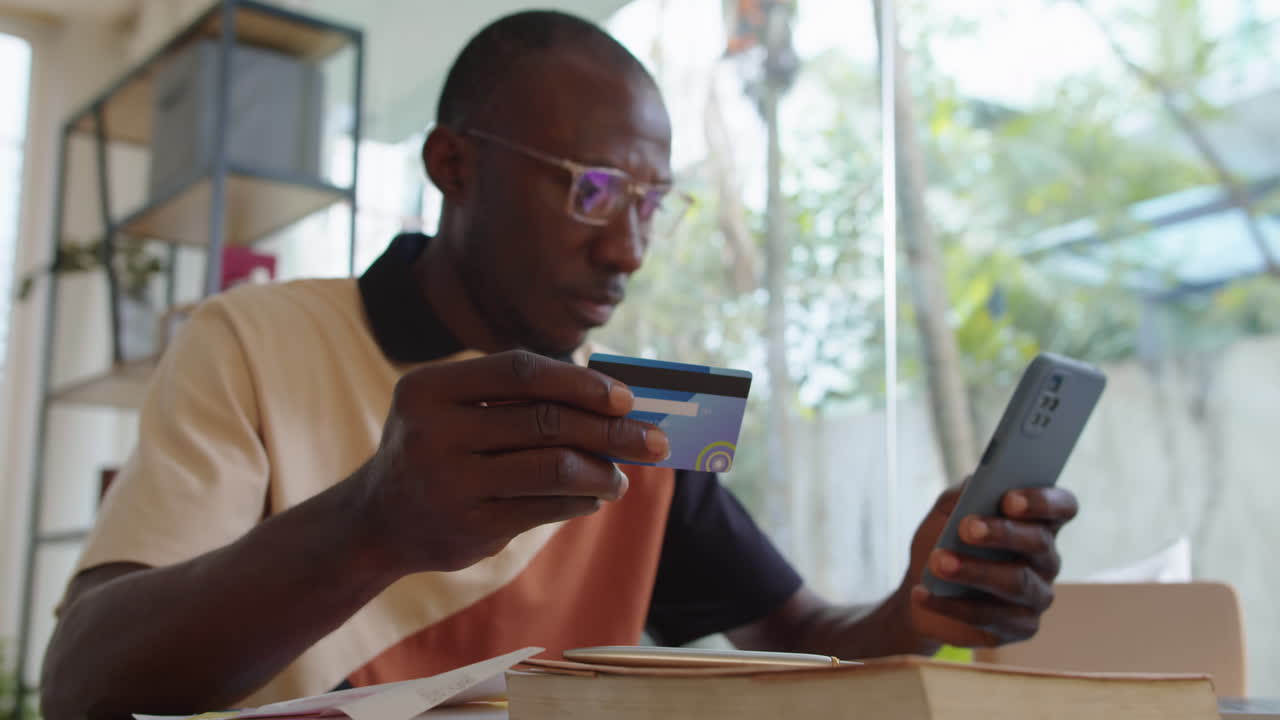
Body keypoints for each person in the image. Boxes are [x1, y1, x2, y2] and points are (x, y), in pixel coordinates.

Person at [40, 10, 1078, 719]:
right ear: (452, 165)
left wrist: (917, 608)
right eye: (589, 189)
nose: (626, 248)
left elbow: (802, 637)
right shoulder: (253, 339)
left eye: (648, 203)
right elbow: (82, 679)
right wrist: (372, 522)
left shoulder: (639, 414)